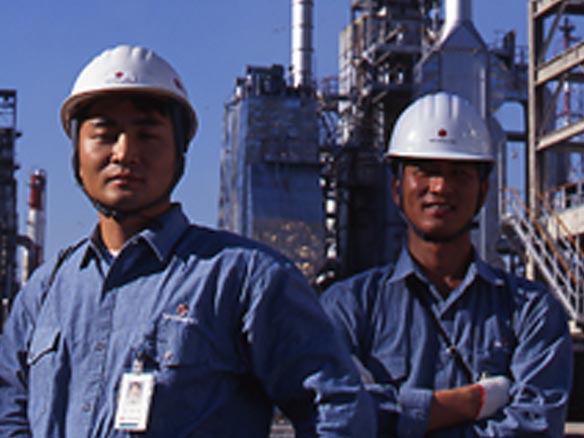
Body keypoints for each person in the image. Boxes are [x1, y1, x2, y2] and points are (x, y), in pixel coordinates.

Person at [0, 45, 375, 437]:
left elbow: (337, 409)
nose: (125, 153)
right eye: (105, 134)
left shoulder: (244, 279)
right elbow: (8, 414)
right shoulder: (43, 294)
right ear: (77, 152)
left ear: (180, 152)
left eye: (147, 135)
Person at [320, 92, 573, 437]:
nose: (440, 186)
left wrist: (398, 418)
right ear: (397, 188)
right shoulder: (348, 307)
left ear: (483, 192)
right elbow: (338, 419)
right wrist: (472, 402)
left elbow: (535, 427)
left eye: (458, 173)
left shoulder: (531, 312)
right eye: (425, 171)